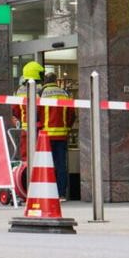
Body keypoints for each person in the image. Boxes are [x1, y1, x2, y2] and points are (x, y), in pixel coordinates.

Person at [39, 71, 75, 200]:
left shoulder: (41, 94)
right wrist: (67, 127)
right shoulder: (64, 94)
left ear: (45, 81)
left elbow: (36, 113)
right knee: (61, 165)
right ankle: (61, 193)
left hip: (45, 136)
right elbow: (72, 113)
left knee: (45, 165)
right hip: (61, 136)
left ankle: (47, 193)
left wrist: (38, 127)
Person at [11, 61, 45, 162]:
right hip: (39, 128)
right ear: (36, 74)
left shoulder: (19, 91)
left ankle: (26, 177)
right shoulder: (41, 90)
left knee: (26, 157)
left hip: (25, 129)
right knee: (41, 158)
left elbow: (15, 110)